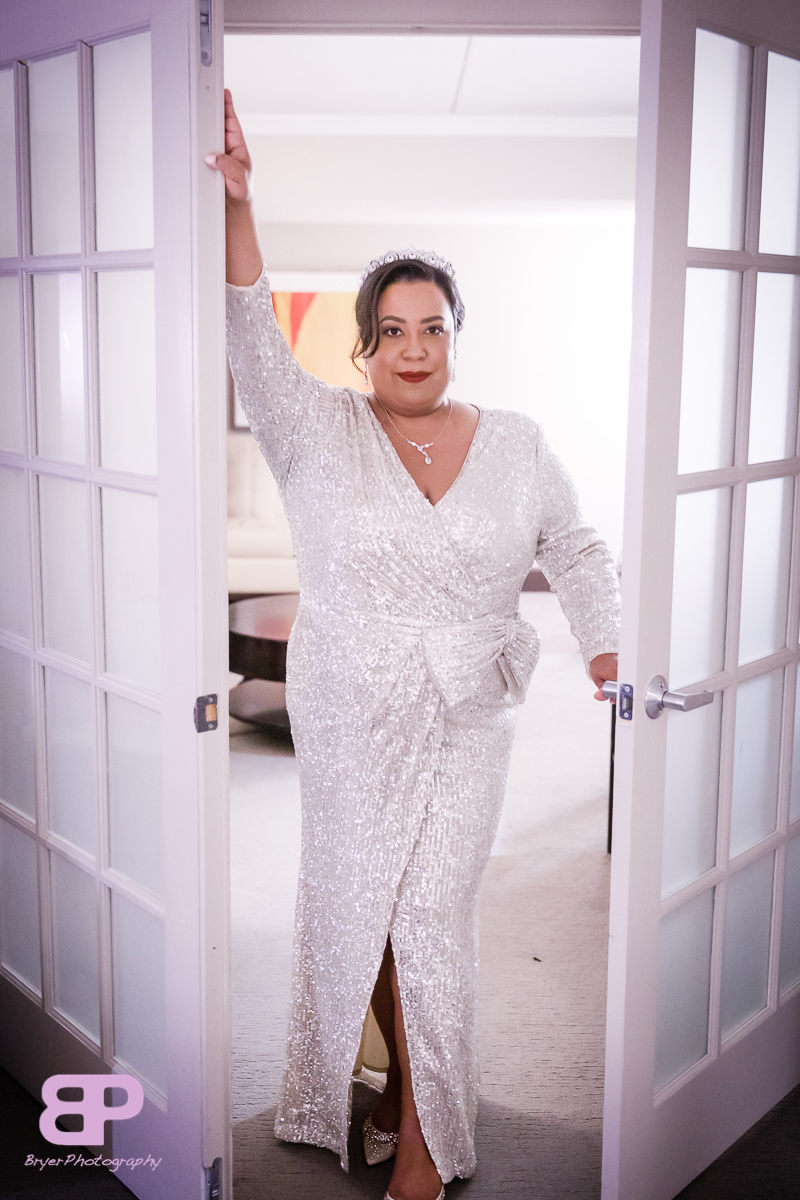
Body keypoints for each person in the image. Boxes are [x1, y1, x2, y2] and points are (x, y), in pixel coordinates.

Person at [206, 90, 619, 1200]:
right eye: (391, 329)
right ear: (365, 343)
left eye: (432, 326)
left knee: (432, 907)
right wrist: (239, 203)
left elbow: (577, 547)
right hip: (350, 703)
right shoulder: (316, 430)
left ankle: (427, 1150)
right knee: (367, 908)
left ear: (455, 336)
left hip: (468, 711)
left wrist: (605, 649)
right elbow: (250, 333)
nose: (414, 347)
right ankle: (393, 1084)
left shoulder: (518, 442)